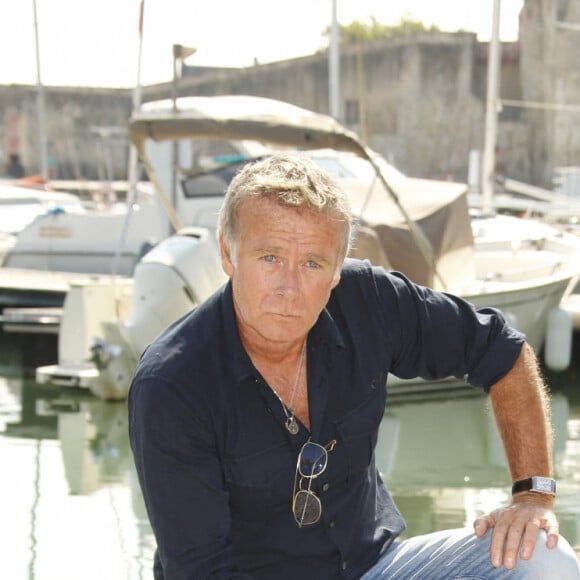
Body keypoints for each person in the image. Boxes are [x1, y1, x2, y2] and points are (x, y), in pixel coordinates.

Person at [128, 153, 580, 579]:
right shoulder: (173, 384)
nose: (289, 287)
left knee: (545, 557)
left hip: (379, 565)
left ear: (337, 268)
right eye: (269, 258)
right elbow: (203, 572)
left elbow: (501, 350)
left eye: (312, 263)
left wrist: (534, 495)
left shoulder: (369, 301)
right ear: (228, 254)